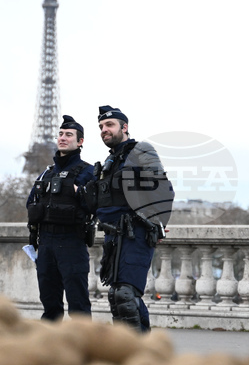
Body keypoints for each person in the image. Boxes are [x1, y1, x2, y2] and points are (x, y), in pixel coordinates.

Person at [83, 105, 173, 333]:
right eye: (101, 126)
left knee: (126, 294)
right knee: (117, 297)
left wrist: (158, 225)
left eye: (110, 125)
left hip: (136, 233)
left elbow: (163, 190)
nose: (104, 130)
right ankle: (131, 351)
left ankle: (141, 354)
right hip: (113, 236)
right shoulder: (110, 161)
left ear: (124, 127)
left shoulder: (141, 151)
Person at [25, 115, 96, 321]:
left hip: (72, 242)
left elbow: (95, 205)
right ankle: (49, 349)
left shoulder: (88, 172)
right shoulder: (46, 173)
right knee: (49, 304)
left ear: (80, 141)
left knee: (78, 305)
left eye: (69, 135)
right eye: (61, 134)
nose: (63, 138)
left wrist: (78, 191)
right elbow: (31, 203)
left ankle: (83, 349)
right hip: (45, 243)